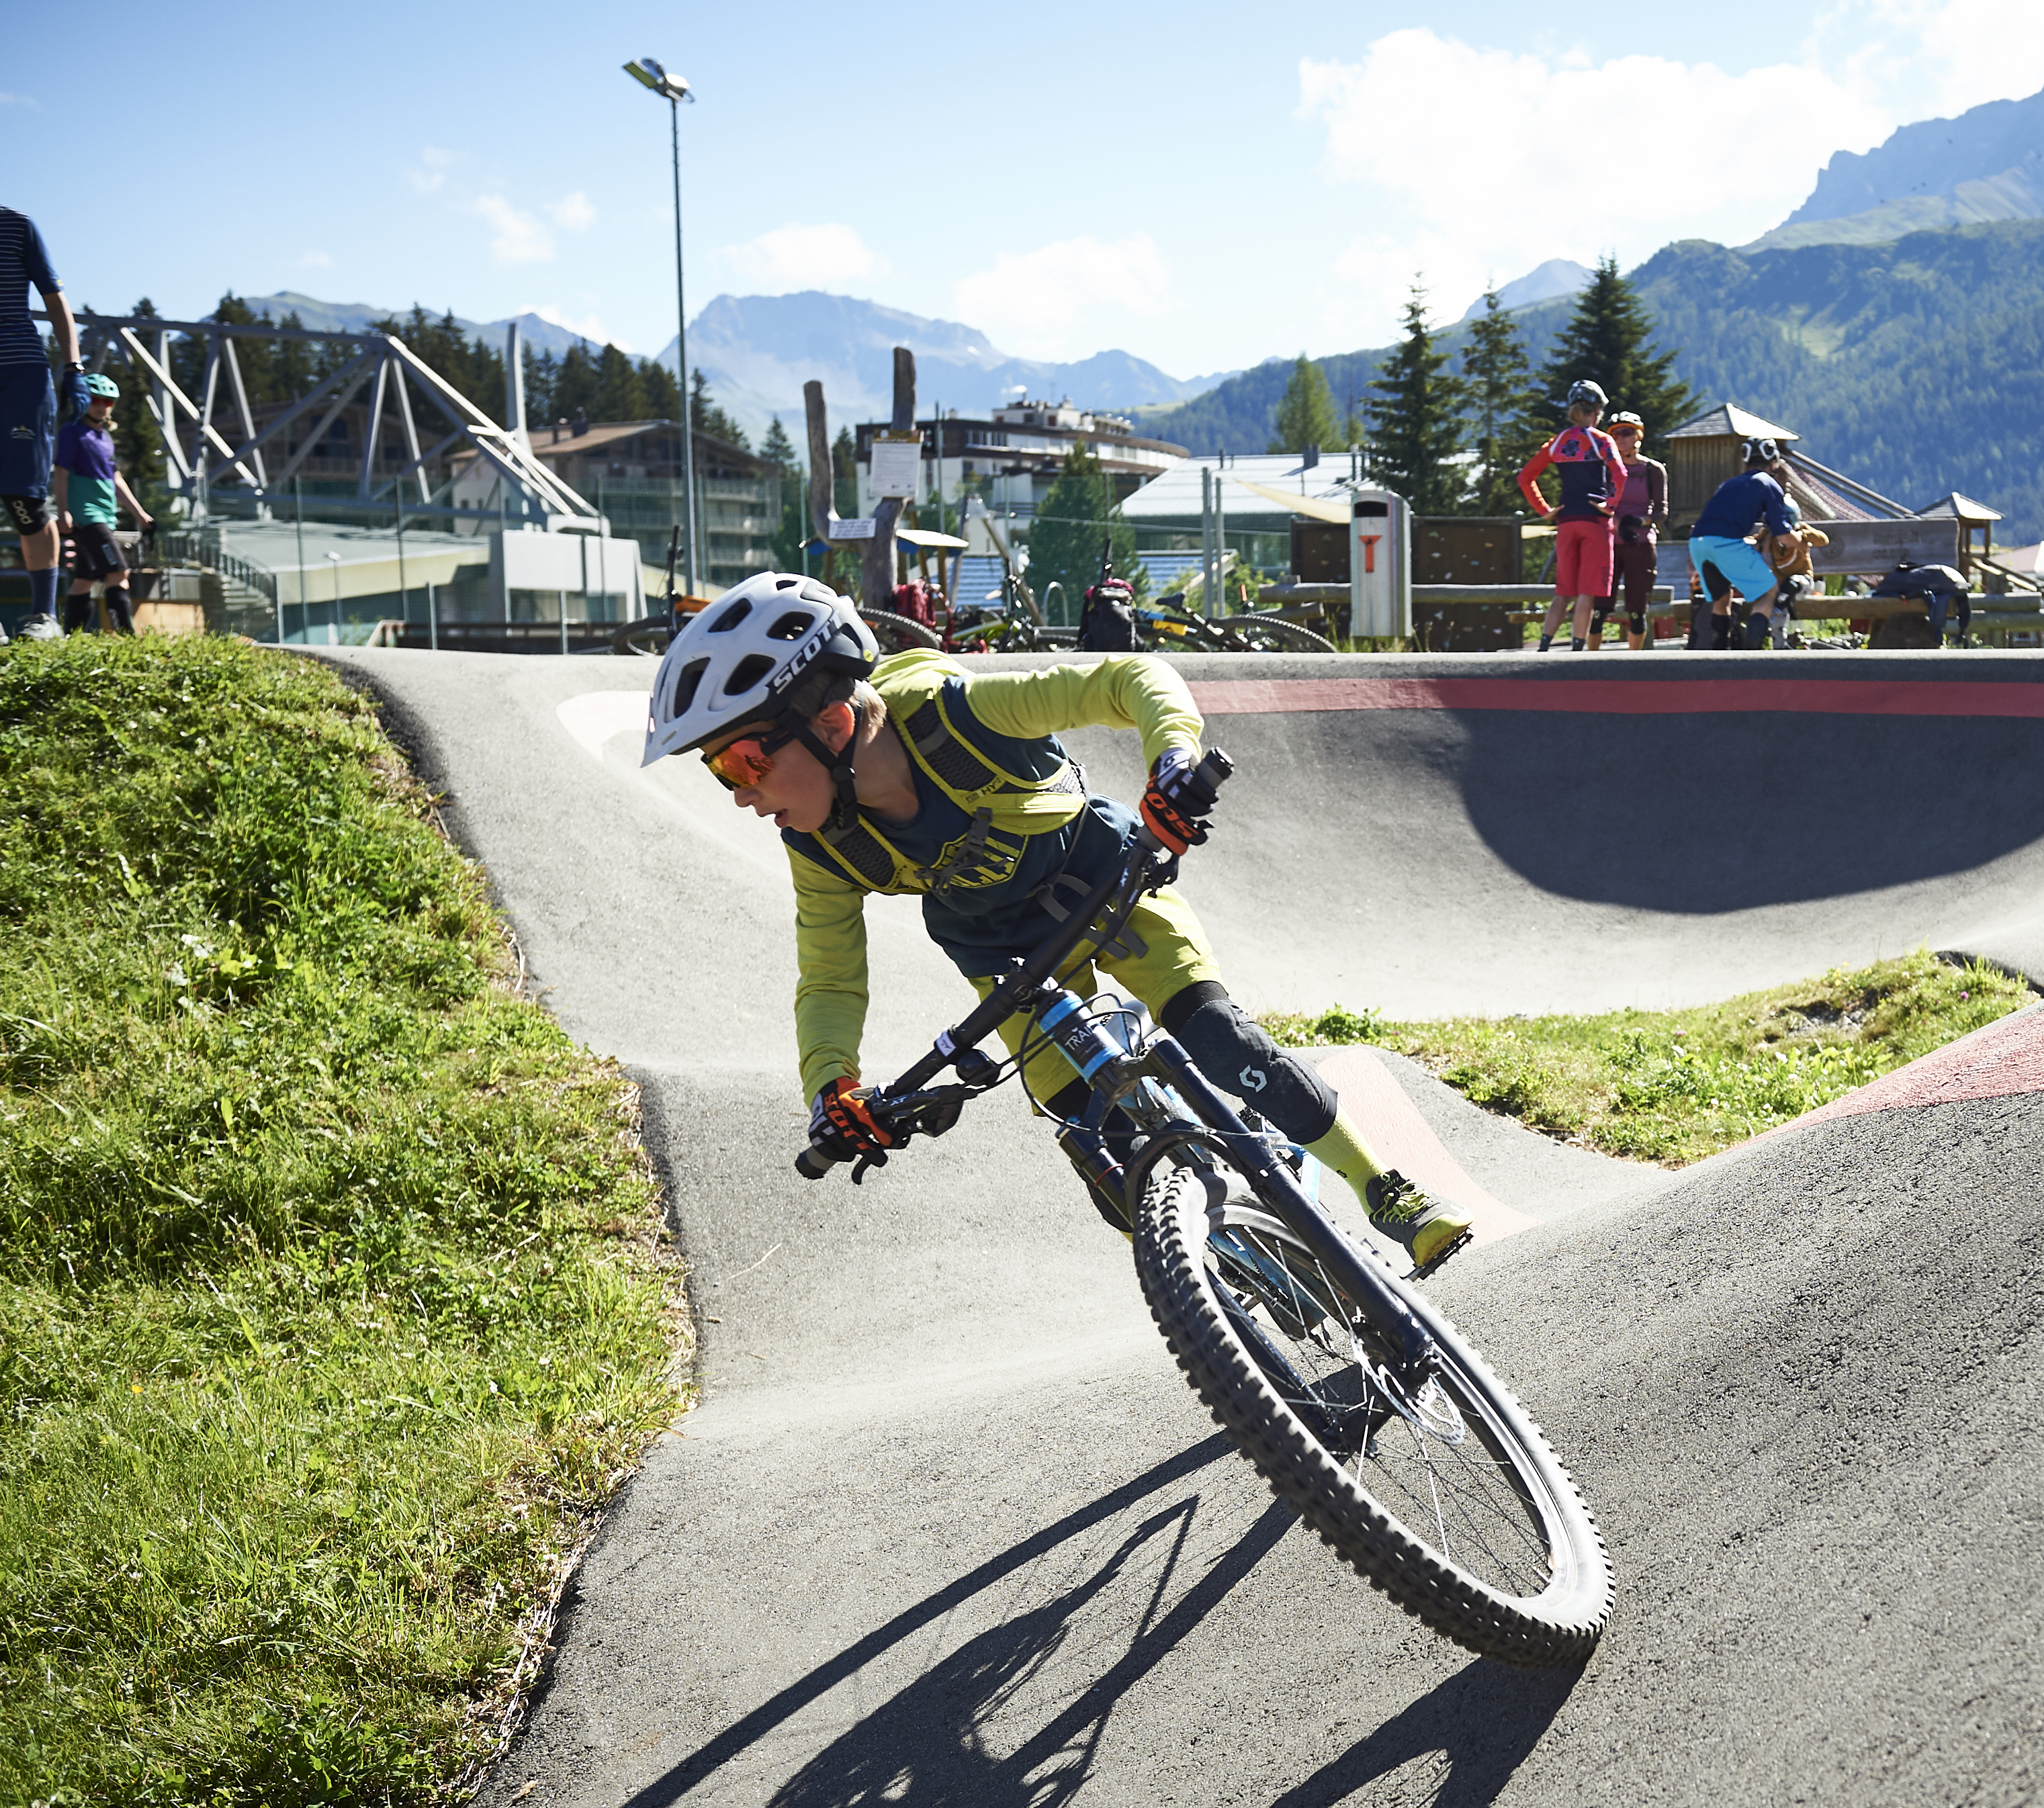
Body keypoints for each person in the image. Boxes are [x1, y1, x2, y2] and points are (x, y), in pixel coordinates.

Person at [638, 573, 1472, 1271]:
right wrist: (832, 1088)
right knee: (1100, 1154)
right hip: (1003, 958)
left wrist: (1172, 759)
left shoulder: (955, 714)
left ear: (833, 724)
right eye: (720, 773)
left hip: (1105, 881)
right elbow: (828, 975)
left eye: (744, 760)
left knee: (1222, 1042)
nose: (741, 794)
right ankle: (1237, 1293)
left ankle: (1383, 1187)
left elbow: (1131, 679)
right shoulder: (819, 845)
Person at [0, 113, 89, 646]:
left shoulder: (17, 226)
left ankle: (43, 617)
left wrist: (73, 366)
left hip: (19, 378)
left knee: (23, 500)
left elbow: (56, 302)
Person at [1517, 379, 1625, 652]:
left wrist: (1545, 510)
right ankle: (1577, 650)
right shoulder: (1601, 440)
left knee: (1563, 590)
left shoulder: (1557, 443)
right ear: (1597, 411)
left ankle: (1544, 646)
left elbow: (1526, 477)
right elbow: (1620, 473)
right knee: (1587, 591)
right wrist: (1610, 504)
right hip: (1595, 521)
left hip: (1566, 521)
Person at [52, 372, 153, 636]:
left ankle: (71, 636)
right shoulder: (73, 432)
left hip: (106, 515)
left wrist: (140, 515)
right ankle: (126, 635)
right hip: (87, 516)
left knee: (84, 579)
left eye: (108, 402)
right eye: (95, 400)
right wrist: (63, 512)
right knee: (119, 572)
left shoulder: (105, 437)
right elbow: (61, 472)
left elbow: (116, 479)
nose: (101, 406)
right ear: (82, 400)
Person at [1684, 439, 1802, 658]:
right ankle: (1751, 656)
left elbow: (1718, 522)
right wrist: (1802, 542)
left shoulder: (1728, 484)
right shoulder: (1768, 483)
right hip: (1725, 543)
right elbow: (1784, 536)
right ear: (1774, 463)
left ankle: (1719, 658)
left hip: (1698, 543)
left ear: (1746, 463)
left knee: (1721, 598)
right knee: (1768, 592)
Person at [1602, 410, 1665, 651]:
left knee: (1637, 610)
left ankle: (1633, 661)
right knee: (1599, 609)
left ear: (1638, 435)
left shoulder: (1653, 470)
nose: (1621, 438)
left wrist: (1638, 521)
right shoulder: (1605, 469)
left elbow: (1661, 511)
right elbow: (1598, 502)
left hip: (1641, 544)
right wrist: (1618, 522)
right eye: (1615, 434)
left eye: (1626, 432)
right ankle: (1589, 662)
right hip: (1608, 544)